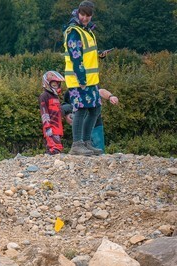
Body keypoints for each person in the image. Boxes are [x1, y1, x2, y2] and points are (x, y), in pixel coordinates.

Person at [63, 1, 107, 156]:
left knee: (95, 109)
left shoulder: (87, 31)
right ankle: (77, 144)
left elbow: (86, 53)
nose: (85, 18)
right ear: (78, 12)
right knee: (81, 109)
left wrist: (99, 55)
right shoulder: (74, 31)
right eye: (83, 14)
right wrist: (81, 79)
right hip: (78, 79)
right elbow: (76, 57)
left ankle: (87, 142)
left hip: (91, 79)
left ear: (92, 15)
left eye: (88, 15)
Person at [63, 88, 120, 153]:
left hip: (96, 126)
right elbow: (65, 104)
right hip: (79, 128)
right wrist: (67, 114)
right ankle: (78, 145)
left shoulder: (91, 86)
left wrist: (110, 96)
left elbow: (100, 91)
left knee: (99, 150)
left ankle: (87, 144)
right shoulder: (71, 90)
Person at [39, 71, 66, 155]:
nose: (56, 86)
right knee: (54, 147)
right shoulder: (44, 96)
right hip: (50, 126)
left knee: (58, 147)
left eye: (57, 84)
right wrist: (47, 126)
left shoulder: (55, 96)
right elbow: (44, 112)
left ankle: (51, 157)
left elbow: (58, 110)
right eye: (54, 84)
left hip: (58, 126)